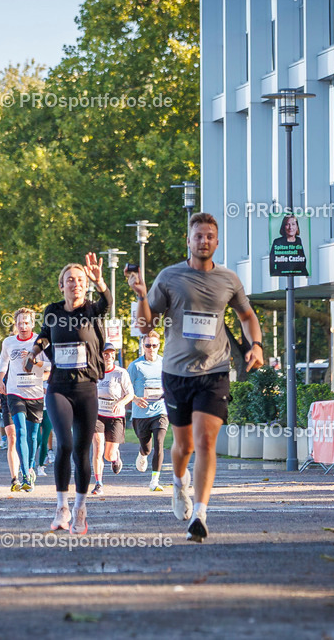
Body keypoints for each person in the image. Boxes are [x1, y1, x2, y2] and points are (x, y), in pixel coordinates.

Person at [127, 212, 263, 542]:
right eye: (198, 235)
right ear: (188, 241)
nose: (203, 241)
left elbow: (247, 315)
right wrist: (143, 296)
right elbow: (147, 326)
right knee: (184, 446)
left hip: (215, 372)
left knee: (205, 442)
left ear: (216, 242)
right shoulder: (170, 277)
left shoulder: (229, 280)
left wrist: (256, 345)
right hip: (176, 373)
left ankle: (200, 515)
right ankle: (178, 484)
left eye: (209, 236)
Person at [25, 253, 110, 535]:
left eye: (80, 280)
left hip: (86, 388)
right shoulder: (52, 311)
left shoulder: (91, 310)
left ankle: (80, 508)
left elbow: (107, 304)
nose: (75, 284)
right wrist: (34, 351)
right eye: (70, 280)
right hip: (59, 387)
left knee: (83, 452)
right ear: (61, 285)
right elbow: (45, 334)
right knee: (64, 444)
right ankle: (61, 507)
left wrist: (101, 283)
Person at [0, 307, 49, 492]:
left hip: (35, 393)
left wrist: (35, 361)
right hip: (14, 391)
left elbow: (52, 365)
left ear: (32, 323)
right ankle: (25, 474)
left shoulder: (41, 341)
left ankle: (31, 465)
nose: (23, 326)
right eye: (19, 323)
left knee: (33, 436)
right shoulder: (9, 342)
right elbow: (2, 361)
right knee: (19, 431)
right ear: (15, 325)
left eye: (26, 322)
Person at [91, 343, 134, 495]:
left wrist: (120, 402)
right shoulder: (95, 372)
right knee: (97, 447)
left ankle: (115, 458)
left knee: (108, 454)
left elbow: (130, 394)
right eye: (106, 354)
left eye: (111, 354)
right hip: (98, 414)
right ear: (100, 355)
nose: (109, 357)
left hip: (115, 416)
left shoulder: (121, 373)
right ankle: (98, 483)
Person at [128, 330, 168, 491]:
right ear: (143, 346)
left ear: (159, 346)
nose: (151, 348)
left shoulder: (165, 363)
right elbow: (126, 388)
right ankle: (142, 453)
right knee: (147, 448)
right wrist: (135, 399)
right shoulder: (135, 366)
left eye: (154, 345)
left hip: (160, 410)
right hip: (141, 414)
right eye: (148, 345)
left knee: (159, 443)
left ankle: (154, 481)